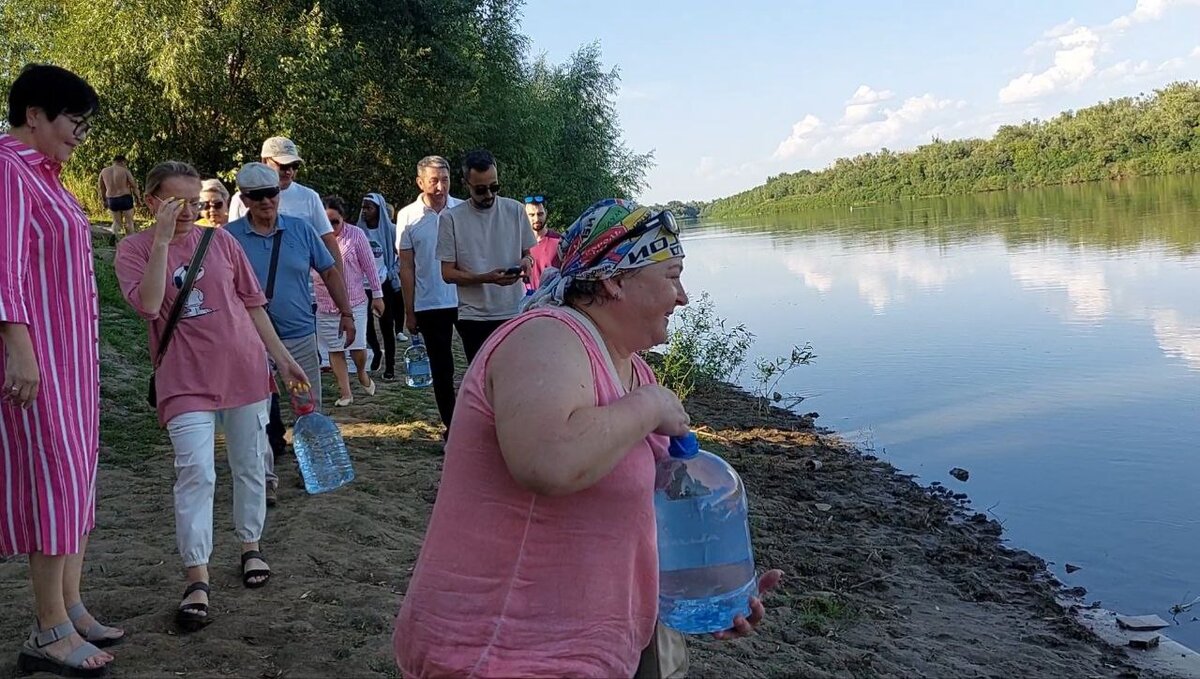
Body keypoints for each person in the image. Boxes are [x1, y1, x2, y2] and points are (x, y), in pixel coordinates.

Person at [393, 199, 782, 677]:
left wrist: (711, 590)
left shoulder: (633, 368)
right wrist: (651, 405)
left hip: (600, 648)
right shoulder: (545, 336)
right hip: (506, 652)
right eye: (673, 275)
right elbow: (549, 461)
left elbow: (646, 506)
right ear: (616, 280)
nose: (683, 297)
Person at [114, 161, 308, 633]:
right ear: (151, 202)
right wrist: (161, 241)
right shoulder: (132, 249)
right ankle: (196, 575)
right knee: (196, 473)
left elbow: (252, 304)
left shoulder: (220, 241)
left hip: (244, 370)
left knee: (249, 464)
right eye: (174, 202)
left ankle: (250, 545)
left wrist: (281, 358)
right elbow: (148, 304)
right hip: (184, 380)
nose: (186, 212)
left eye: (192, 202)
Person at [1, 63, 118, 678]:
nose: (79, 133)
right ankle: (47, 630)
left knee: (77, 477)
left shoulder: (47, 176)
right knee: (54, 480)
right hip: (38, 357)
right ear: (36, 114)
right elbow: (2, 266)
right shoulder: (7, 170)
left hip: (71, 357)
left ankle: (69, 606)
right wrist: (19, 348)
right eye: (73, 119)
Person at [225, 163, 355, 503]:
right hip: (251, 339)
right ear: (244, 199)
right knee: (257, 412)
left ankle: (310, 466)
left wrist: (347, 314)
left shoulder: (301, 230)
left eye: (271, 194)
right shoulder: (229, 237)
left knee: (307, 403)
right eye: (257, 196)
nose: (266, 201)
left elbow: (329, 272)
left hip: (298, 335)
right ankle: (264, 479)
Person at [437, 149, 535, 364]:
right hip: (474, 317)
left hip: (513, 310)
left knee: (515, 378)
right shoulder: (450, 218)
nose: (489, 194)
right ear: (466, 184)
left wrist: (527, 263)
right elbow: (447, 273)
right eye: (481, 190)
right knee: (483, 384)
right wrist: (486, 278)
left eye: (494, 187)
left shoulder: (516, 210)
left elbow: (528, 253)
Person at [398, 155, 463, 430]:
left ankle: (482, 423)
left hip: (465, 299)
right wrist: (409, 311)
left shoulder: (462, 210)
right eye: (434, 181)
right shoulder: (407, 216)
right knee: (442, 368)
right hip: (429, 302)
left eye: (445, 180)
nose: (440, 187)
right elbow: (406, 267)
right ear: (420, 182)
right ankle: (452, 427)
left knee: (479, 361)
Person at [227, 136, 342, 271]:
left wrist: (341, 285)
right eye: (283, 166)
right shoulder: (241, 198)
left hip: (298, 285)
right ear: (264, 162)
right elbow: (231, 244)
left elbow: (328, 241)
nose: (289, 172)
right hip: (250, 282)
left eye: (294, 166)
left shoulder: (309, 197)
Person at [316, 196, 383, 406]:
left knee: (357, 345)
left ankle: (362, 372)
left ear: (343, 218)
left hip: (354, 301)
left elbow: (369, 266)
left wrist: (378, 294)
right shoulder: (313, 236)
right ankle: (345, 392)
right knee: (335, 349)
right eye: (326, 222)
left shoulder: (356, 235)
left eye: (335, 222)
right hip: (325, 302)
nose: (331, 227)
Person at [359, 192, 405, 379]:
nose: (365, 211)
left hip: (384, 283)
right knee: (366, 325)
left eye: (369, 208)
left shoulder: (391, 230)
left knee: (387, 324)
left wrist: (392, 271)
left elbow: (403, 254)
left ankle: (390, 366)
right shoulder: (359, 231)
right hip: (363, 285)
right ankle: (376, 351)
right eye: (363, 207)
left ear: (378, 210)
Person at [98, 154, 140, 241]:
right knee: (129, 222)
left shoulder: (104, 171)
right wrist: (138, 198)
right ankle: (130, 242)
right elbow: (134, 186)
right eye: (125, 163)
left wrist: (104, 200)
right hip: (125, 198)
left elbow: (101, 187)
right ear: (122, 162)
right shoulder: (125, 171)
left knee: (117, 223)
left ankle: (115, 236)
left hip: (112, 199)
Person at [524, 194, 560, 292]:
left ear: (546, 213)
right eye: (531, 215)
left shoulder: (560, 242)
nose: (536, 219)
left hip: (551, 302)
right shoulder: (519, 243)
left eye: (540, 214)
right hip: (525, 303)